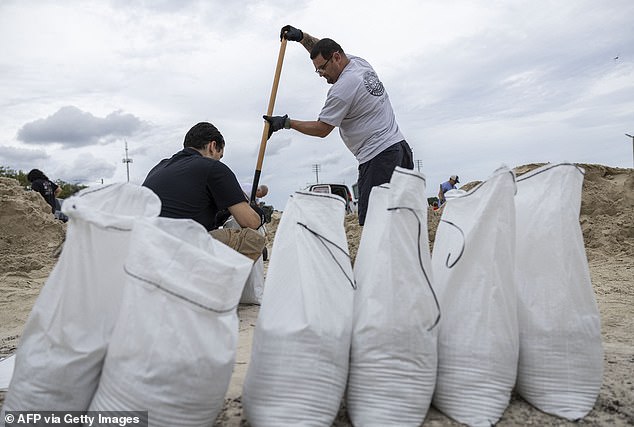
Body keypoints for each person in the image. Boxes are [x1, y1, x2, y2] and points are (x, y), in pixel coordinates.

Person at [264, 25, 414, 225]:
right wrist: (301, 37)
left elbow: (322, 129)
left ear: (336, 58)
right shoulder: (358, 63)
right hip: (399, 149)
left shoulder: (343, 88)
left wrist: (286, 123)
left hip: (379, 159)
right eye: (317, 70)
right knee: (404, 219)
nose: (321, 74)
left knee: (374, 225)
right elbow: (322, 48)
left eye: (323, 68)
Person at [142, 122, 266, 260]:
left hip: (144, 248)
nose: (219, 160)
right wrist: (260, 215)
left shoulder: (158, 168)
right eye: (220, 155)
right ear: (213, 147)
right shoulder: (213, 167)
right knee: (253, 238)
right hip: (177, 253)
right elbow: (250, 222)